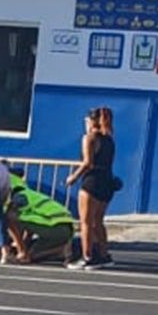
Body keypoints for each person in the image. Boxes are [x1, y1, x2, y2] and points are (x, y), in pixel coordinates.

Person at [66, 106, 117, 269]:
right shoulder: (109, 139)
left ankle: (87, 255)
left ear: (91, 121)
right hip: (106, 181)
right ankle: (104, 254)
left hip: (92, 182)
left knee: (85, 222)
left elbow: (87, 162)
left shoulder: (89, 138)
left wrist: (73, 177)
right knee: (98, 221)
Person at [8, 173, 76, 264]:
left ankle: (23, 253)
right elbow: (32, 224)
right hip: (66, 227)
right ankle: (59, 250)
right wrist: (25, 243)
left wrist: (20, 247)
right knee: (33, 255)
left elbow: (12, 222)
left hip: (54, 226)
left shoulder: (18, 198)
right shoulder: (31, 194)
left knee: (9, 218)